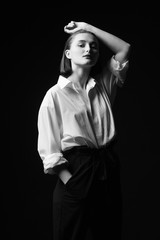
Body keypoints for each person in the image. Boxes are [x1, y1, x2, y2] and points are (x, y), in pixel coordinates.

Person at [37, 21, 131, 240]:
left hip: (106, 170)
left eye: (94, 46)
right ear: (68, 53)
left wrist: (88, 27)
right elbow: (50, 150)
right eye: (82, 44)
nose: (89, 49)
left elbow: (124, 48)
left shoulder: (103, 85)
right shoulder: (54, 95)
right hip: (76, 171)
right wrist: (74, 184)